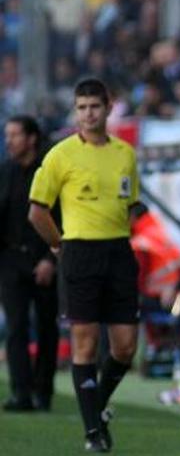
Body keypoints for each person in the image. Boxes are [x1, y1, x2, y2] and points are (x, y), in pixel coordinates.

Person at [28, 78, 140, 452]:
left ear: (108, 108)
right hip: (79, 253)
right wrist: (60, 245)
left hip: (119, 253)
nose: (88, 114)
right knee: (86, 344)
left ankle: (97, 404)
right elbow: (37, 212)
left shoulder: (125, 153)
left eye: (94, 106)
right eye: (82, 108)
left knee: (125, 346)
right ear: (75, 112)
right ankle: (94, 432)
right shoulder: (60, 155)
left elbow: (130, 204)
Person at [0, 115, 59, 412]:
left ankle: (43, 391)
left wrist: (51, 258)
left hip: (43, 260)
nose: (8, 140)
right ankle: (20, 392)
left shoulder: (49, 171)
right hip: (10, 259)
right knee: (15, 327)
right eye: (7, 135)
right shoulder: (5, 170)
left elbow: (61, 217)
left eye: (14, 135)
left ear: (32, 138)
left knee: (47, 327)